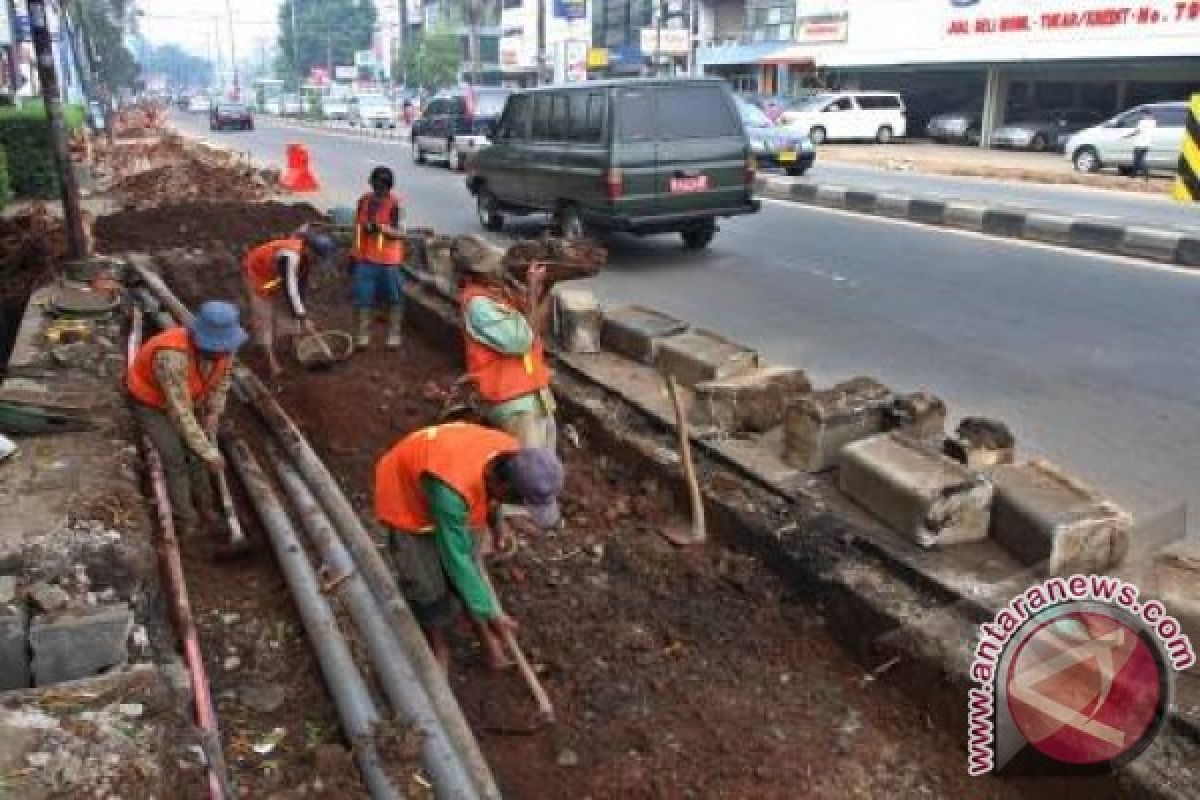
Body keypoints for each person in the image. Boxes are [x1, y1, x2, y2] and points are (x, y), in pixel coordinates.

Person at [375, 421, 564, 671]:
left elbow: (492, 503)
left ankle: (487, 641)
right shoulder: (451, 490)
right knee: (425, 582)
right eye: (518, 501)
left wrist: (497, 525)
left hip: (457, 489)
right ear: (502, 487)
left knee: (470, 571)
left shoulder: (512, 457)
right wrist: (492, 611)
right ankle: (437, 642)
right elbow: (457, 558)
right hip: (407, 496)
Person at [127, 301, 247, 537]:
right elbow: (180, 412)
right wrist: (209, 452)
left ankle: (207, 509)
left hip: (189, 398)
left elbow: (222, 380)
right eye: (216, 349)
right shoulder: (171, 357)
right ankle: (187, 518)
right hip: (152, 403)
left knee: (198, 455)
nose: (222, 353)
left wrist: (214, 411)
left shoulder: (225, 348)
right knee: (174, 458)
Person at [452, 235, 556, 452]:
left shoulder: (500, 293)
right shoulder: (478, 305)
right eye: (488, 267)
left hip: (536, 394)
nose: (496, 270)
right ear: (472, 274)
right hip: (513, 403)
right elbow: (521, 341)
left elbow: (537, 328)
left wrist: (546, 286)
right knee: (529, 475)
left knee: (545, 471)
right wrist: (534, 293)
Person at [242, 229, 336, 376]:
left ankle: (294, 349)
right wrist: (302, 315)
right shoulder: (290, 256)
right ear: (308, 249)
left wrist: (301, 312)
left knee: (288, 312)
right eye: (317, 258)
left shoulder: (307, 257)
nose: (317, 262)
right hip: (258, 273)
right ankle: (272, 364)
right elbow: (290, 289)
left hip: (277, 276)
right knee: (264, 316)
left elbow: (300, 286)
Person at [352, 166, 407, 350]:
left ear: (388, 186)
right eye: (376, 185)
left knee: (394, 297)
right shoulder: (363, 201)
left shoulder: (396, 205)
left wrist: (382, 229)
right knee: (363, 296)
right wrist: (354, 254)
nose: (378, 189)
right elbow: (357, 227)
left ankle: (394, 334)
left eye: (382, 186)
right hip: (365, 258)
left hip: (388, 261)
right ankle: (362, 335)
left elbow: (401, 232)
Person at [1128, 109, 1156, 180]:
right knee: (1138, 160)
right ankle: (1133, 175)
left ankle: (1145, 175)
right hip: (1147, 144)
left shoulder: (1143, 122)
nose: (1142, 116)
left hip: (1139, 143)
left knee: (1138, 161)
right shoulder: (1153, 122)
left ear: (1145, 114)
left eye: (1142, 114)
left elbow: (1137, 131)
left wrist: (1128, 135)